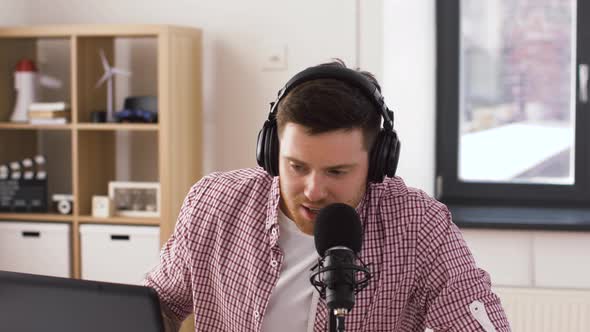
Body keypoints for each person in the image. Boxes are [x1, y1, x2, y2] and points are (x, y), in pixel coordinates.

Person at [144, 60, 511, 332]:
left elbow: (478, 322)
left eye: (336, 171)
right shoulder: (215, 202)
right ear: (271, 152)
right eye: (297, 166)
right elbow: (161, 305)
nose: (313, 190)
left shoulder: (417, 223)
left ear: (377, 163)